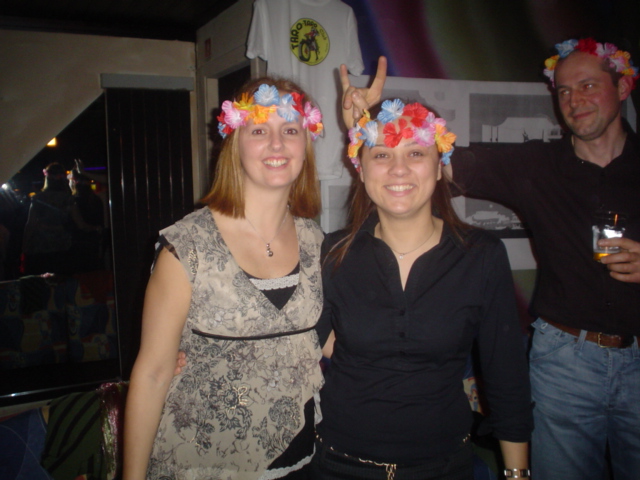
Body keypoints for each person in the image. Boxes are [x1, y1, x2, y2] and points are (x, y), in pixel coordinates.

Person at [342, 38, 640, 480]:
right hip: (565, 360)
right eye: (563, 90)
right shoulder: (536, 164)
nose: (575, 100)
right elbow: (425, 166)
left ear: (624, 87)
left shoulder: (479, 256)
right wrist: (368, 129)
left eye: (588, 85)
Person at [312, 98, 532, 479]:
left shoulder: (480, 255)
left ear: (440, 165)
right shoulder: (334, 252)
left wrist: (517, 475)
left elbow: (507, 380)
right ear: (360, 169)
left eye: (415, 152)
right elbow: (301, 345)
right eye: (381, 154)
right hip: (339, 463)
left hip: (443, 466)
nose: (398, 168)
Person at [123, 77, 326, 480]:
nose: (277, 144)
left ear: (305, 144)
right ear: (234, 144)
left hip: (301, 461)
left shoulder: (316, 241)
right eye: (259, 131)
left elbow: (338, 336)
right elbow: (153, 373)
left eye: (290, 130)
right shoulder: (187, 247)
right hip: (202, 465)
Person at [22, 162, 75, 275]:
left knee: (42, 278)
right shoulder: (68, 198)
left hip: (41, 244)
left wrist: (25, 245)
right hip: (62, 243)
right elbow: (77, 222)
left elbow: (30, 223)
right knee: (61, 277)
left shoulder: (38, 198)